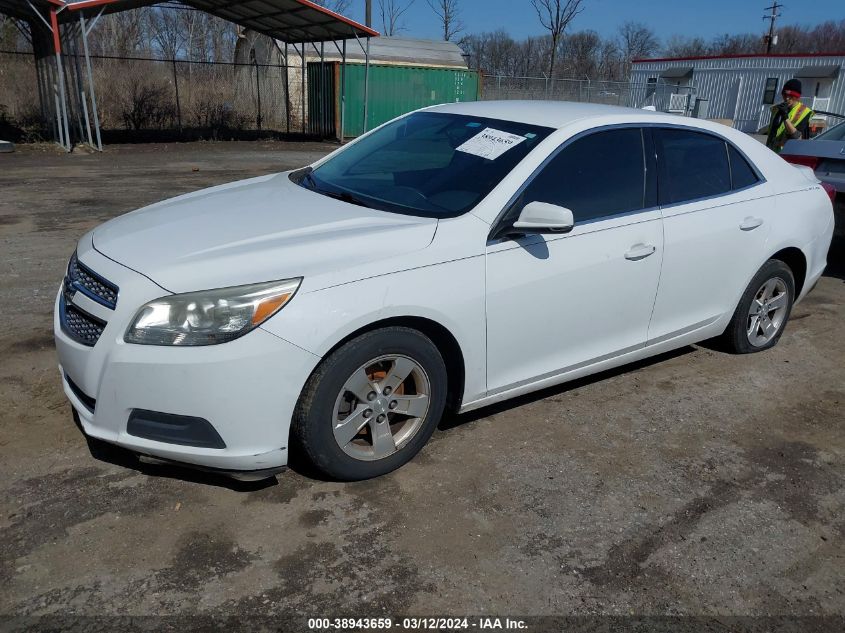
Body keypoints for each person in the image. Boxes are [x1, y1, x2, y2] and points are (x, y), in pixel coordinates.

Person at [765, 78, 814, 152]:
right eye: (785, 95)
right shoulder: (776, 109)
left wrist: (785, 117)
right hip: (770, 151)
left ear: (797, 97)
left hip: (787, 155)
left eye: (791, 96)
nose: (787, 98)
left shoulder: (805, 112)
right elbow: (772, 132)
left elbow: (797, 137)